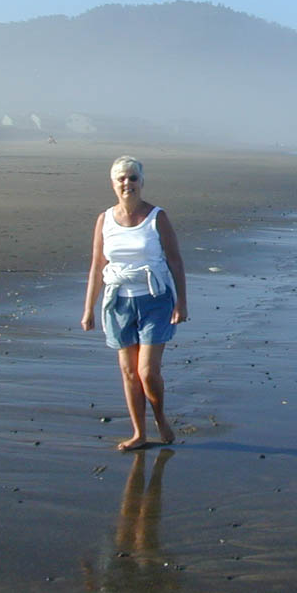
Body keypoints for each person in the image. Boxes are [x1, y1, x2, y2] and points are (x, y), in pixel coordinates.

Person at [81, 156, 188, 450]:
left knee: (147, 372)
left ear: (142, 182)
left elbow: (175, 261)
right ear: (113, 184)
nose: (127, 183)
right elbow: (97, 265)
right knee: (129, 373)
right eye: (121, 179)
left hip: (156, 300)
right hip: (119, 303)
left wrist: (181, 303)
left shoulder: (157, 217)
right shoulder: (104, 220)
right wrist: (89, 308)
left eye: (132, 178)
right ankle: (139, 433)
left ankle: (160, 417)